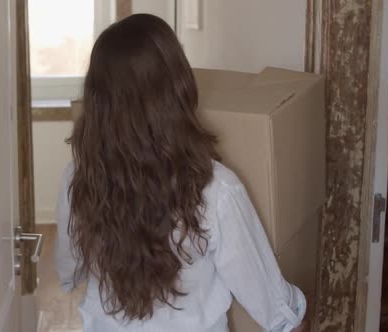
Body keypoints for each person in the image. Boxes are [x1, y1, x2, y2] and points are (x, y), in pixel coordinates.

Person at [55, 13, 307, 332]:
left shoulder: (78, 178)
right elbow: (278, 312)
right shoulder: (215, 190)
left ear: (97, 99)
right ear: (178, 87)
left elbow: (68, 271)